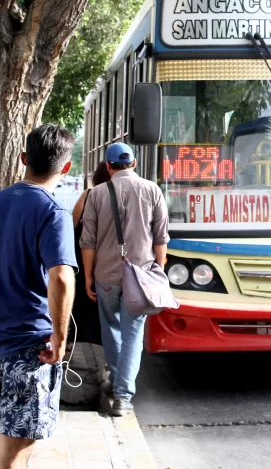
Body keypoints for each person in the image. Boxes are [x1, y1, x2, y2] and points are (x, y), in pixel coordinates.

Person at [0, 124, 77, 469]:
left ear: (24, 159)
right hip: (28, 346)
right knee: (15, 449)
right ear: (65, 168)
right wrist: (60, 336)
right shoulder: (53, 212)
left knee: (12, 440)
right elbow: (61, 279)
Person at [80, 143, 169, 417]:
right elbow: (161, 237)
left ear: (108, 167)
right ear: (134, 163)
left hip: (106, 275)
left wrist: (88, 276)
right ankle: (123, 396)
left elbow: (88, 241)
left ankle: (117, 383)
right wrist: (160, 270)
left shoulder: (96, 194)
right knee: (133, 334)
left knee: (111, 329)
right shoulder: (152, 190)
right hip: (141, 276)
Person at [70, 162, 110, 346]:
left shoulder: (88, 195)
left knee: (82, 309)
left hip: (84, 262)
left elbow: (72, 226)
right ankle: (108, 362)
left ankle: (75, 340)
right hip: (110, 264)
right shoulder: (125, 196)